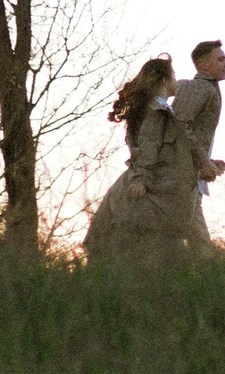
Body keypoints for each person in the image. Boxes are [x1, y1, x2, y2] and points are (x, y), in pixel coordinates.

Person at [80, 54, 197, 264]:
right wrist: (142, 178)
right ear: (164, 81)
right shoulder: (157, 111)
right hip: (151, 187)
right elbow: (148, 147)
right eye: (174, 75)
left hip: (138, 181)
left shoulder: (148, 109)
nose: (177, 80)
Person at [170, 40, 225, 250]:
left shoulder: (207, 88)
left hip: (189, 177)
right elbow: (179, 126)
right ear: (203, 65)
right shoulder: (199, 87)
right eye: (221, 59)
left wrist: (208, 160)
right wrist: (203, 160)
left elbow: (188, 130)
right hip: (180, 178)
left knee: (191, 242)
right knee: (199, 246)